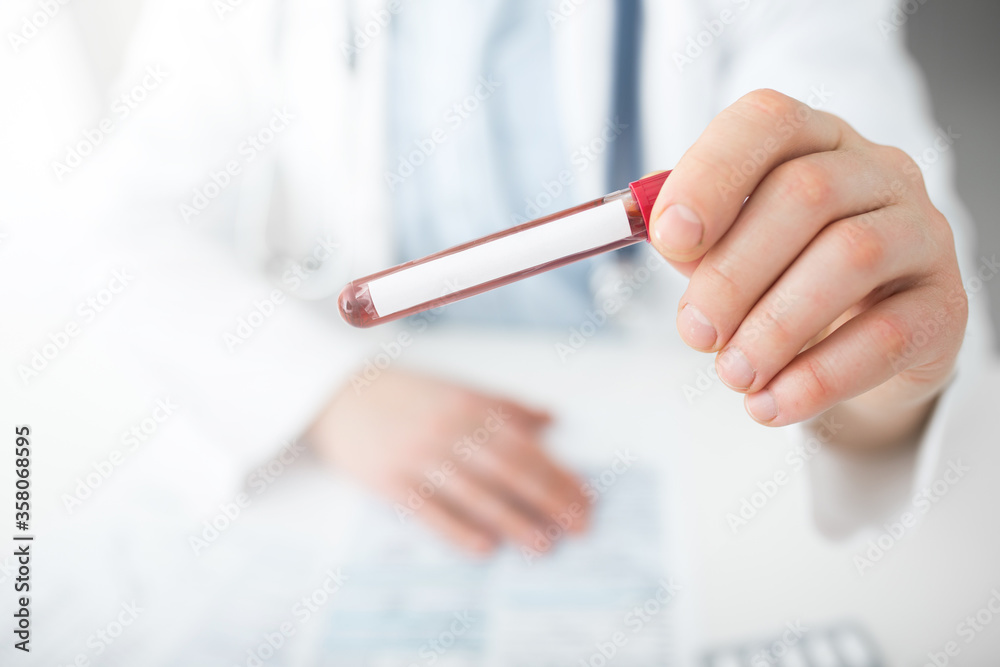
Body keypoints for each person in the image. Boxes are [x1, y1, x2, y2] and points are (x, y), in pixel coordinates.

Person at [47, 0, 995, 555]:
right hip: (362, 488)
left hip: (694, 469)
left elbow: (882, 289)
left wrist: (881, 375)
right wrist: (325, 392)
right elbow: (107, 227)